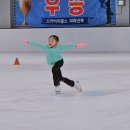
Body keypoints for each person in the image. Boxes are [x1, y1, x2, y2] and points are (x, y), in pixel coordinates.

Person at [21, 35, 85, 93]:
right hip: (52, 64)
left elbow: (67, 46)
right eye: (49, 40)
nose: (50, 42)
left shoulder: (59, 47)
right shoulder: (45, 47)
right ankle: (74, 84)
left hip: (59, 61)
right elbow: (37, 44)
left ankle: (57, 86)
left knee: (54, 69)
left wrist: (76, 45)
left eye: (52, 41)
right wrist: (27, 42)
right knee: (60, 78)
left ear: (56, 42)